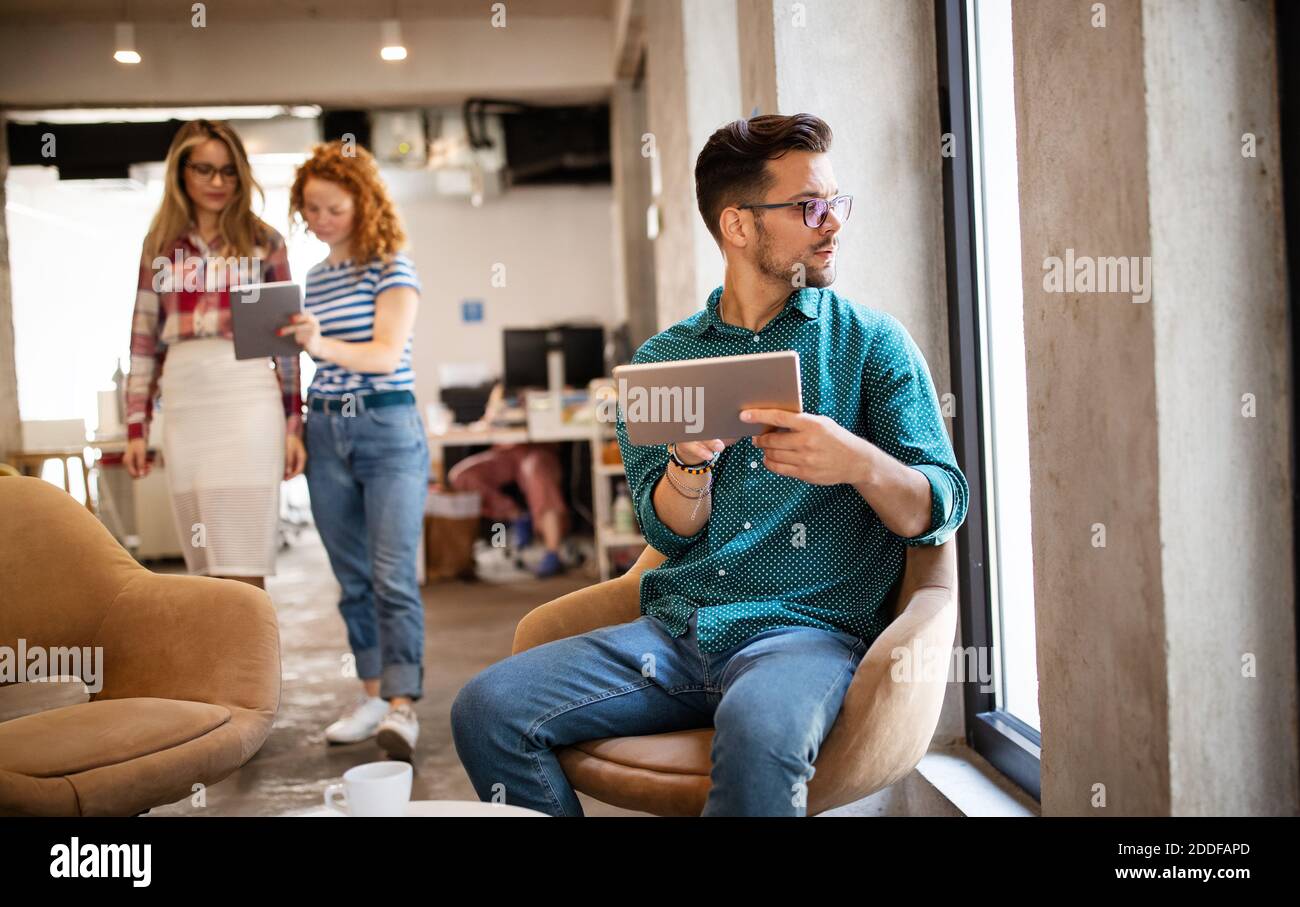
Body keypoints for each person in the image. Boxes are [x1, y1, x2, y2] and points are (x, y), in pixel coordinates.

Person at [451, 113, 969, 815]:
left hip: (805, 633)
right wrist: (686, 471)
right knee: (486, 707)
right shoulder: (666, 363)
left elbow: (939, 506)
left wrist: (857, 463)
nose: (833, 223)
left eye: (836, 203)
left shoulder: (871, 343)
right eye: (810, 207)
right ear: (738, 225)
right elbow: (668, 536)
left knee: (759, 729)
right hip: (676, 632)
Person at [282, 141, 429, 760]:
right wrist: (294, 427)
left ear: (362, 203)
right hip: (325, 428)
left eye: (333, 208)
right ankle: (372, 693)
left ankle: (402, 707)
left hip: (387, 428)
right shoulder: (313, 279)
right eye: (310, 209)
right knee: (351, 578)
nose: (320, 221)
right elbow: (300, 359)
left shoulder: (391, 267)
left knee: (393, 574)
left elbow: (385, 355)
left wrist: (320, 344)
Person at [123, 119, 304, 588]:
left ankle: (255, 663)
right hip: (186, 402)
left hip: (247, 396)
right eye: (204, 170)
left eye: (228, 172)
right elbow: (144, 340)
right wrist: (136, 425)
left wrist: (292, 425)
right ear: (180, 172)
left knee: (245, 560)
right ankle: (219, 661)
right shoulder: (159, 245)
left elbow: (285, 347)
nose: (218, 183)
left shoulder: (266, 243)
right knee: (206, 569)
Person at [447, 382, 570, 577]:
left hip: (537, 449)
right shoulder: (501, 391)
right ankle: (516, 516)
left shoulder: (554, 385)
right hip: (505, 452)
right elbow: (486, 422)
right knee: (462, 476)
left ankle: (552, 552)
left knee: (538, 474)